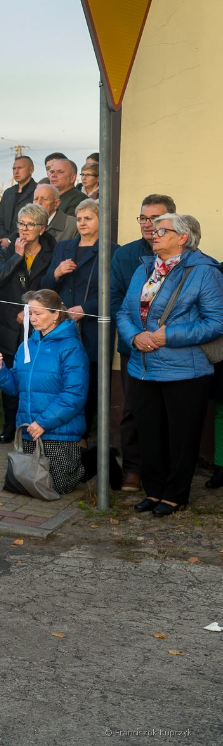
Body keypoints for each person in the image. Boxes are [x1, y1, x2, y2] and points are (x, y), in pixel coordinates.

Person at [117, 213, 223, 517]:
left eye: (163, 230)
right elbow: (124, 312)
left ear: (183, 238)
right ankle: (154, 491)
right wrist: (135, 336)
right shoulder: (144, 268)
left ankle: (175, 495)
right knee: (149, 433)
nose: (154, 233)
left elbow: (216, 322)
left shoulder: (205, 271)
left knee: (181, 437)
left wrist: (168, 336)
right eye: (153, 228)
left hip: (185, 371)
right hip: (143, 366)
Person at [0, 291, 91, 494]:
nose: (32, 319)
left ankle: (91, 464)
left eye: (38, 313)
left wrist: (43, 422)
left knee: (52, 487)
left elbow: (74, 395)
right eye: (30, 314)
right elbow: (15, 388)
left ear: (55, 314)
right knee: (24, 485)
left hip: (58, 437)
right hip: (30, 434)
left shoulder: (72, 348)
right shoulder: (26, 346)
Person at [110, 194, 176, 491]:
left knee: (168, 410)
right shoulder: (124, 256)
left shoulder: (185, 254)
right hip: (134, 347)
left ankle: (166, 471)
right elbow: (115, 303)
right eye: (143, 218)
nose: (148, 225)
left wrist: (164, 334)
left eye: (155, 219)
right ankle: (133, 470)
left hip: (172, 348)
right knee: (133, 409)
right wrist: (136, 336)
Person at [42, 199, 111, 435]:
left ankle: (84, 437)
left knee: (87, 384)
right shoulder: (64, 247)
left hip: (92, 331)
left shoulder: (112, 250)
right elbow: (46, 288)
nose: (82, 223)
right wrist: (57, 272)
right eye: (79, 219)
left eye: (88, 218)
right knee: (60, 381)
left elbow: (115, 294)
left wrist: (87, 309)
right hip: (62, 328)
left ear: (101, 221)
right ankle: (61, 434)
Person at [0, 203, 57, 442]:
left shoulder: (53, 251)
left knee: (37, 376)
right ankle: (10, 425)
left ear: (42, 228)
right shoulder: (8, 249)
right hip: (8, 322)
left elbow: (51, 287)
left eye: (30, 224)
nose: (24, 229)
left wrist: (30, 312)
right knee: (10, 373)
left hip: (39, 324)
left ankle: (36, 426)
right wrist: (18, 256)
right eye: (21, 224)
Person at [0, 156, 39, 249]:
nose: (16, 171)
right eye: (14, 168)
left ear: (31, 170)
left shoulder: (37, 191)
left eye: (20, 168)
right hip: (4, 246)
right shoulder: (8, 193)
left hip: (27, 246)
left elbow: (35, 222)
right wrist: (3, 238)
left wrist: (10, 240)